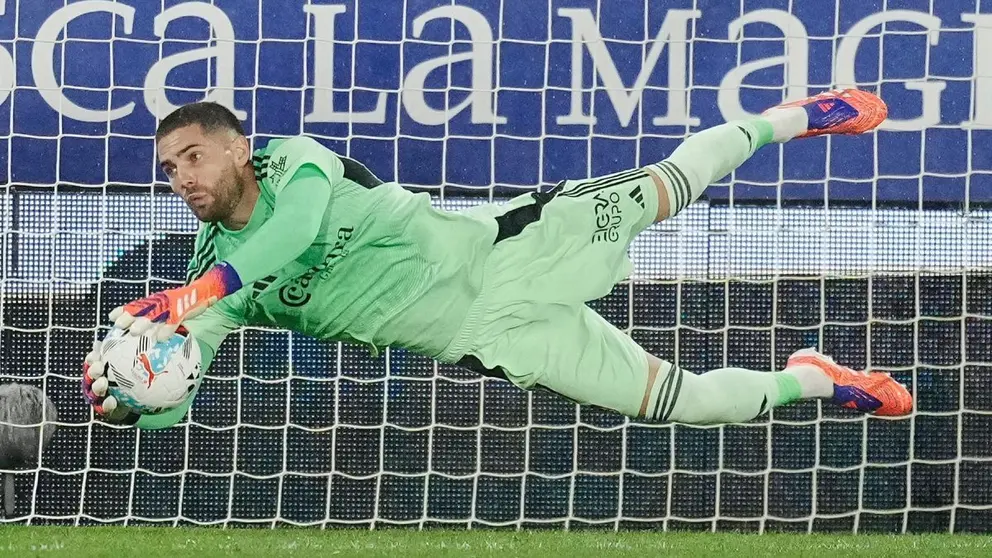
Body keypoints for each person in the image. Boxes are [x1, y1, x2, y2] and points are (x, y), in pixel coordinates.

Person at [81, 89, 913, 429]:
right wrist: (133, 401)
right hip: (496, 337)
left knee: (672, 185)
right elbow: (185, 386)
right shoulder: (210, 275)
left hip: (518, 246)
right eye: (168, 170)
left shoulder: (296, 161)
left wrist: (197, 293)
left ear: (237, 149)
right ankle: (815, 376)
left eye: (193, 156)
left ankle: (796, 117)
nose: (181, 177)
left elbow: (293, 234)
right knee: (687, 406)